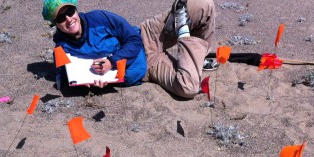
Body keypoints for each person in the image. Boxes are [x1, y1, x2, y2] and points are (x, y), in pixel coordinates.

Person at [42, 0, 215, 98]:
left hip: (146, 36)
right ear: (54, 23)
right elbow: (66, 77)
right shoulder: (63, 49)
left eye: (70, 11)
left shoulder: (99, 17)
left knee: (203, 5)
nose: (69, 19)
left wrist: (112, 62)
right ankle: (188, 45)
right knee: (188, 88)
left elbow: (132, 39)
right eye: (60, 17)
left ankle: (200, 57)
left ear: (76, 9)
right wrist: (89, 84)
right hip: (147, 68)